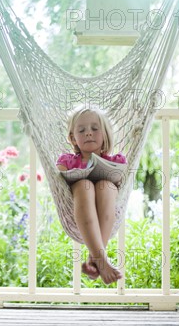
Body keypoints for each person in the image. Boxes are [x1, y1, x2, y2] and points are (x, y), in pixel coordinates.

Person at [56, 107, 126, 285]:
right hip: (81, 204)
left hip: (104, 203)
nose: (88, 133)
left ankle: (94, 260)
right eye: (82, 130)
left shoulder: (116, 161)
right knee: (85, 186)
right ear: (73, 138)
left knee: (105, 186)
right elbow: (58, 178)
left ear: (105, 134)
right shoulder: (68, 161)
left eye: (95, 129)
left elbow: (120, 179)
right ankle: (100, 260)